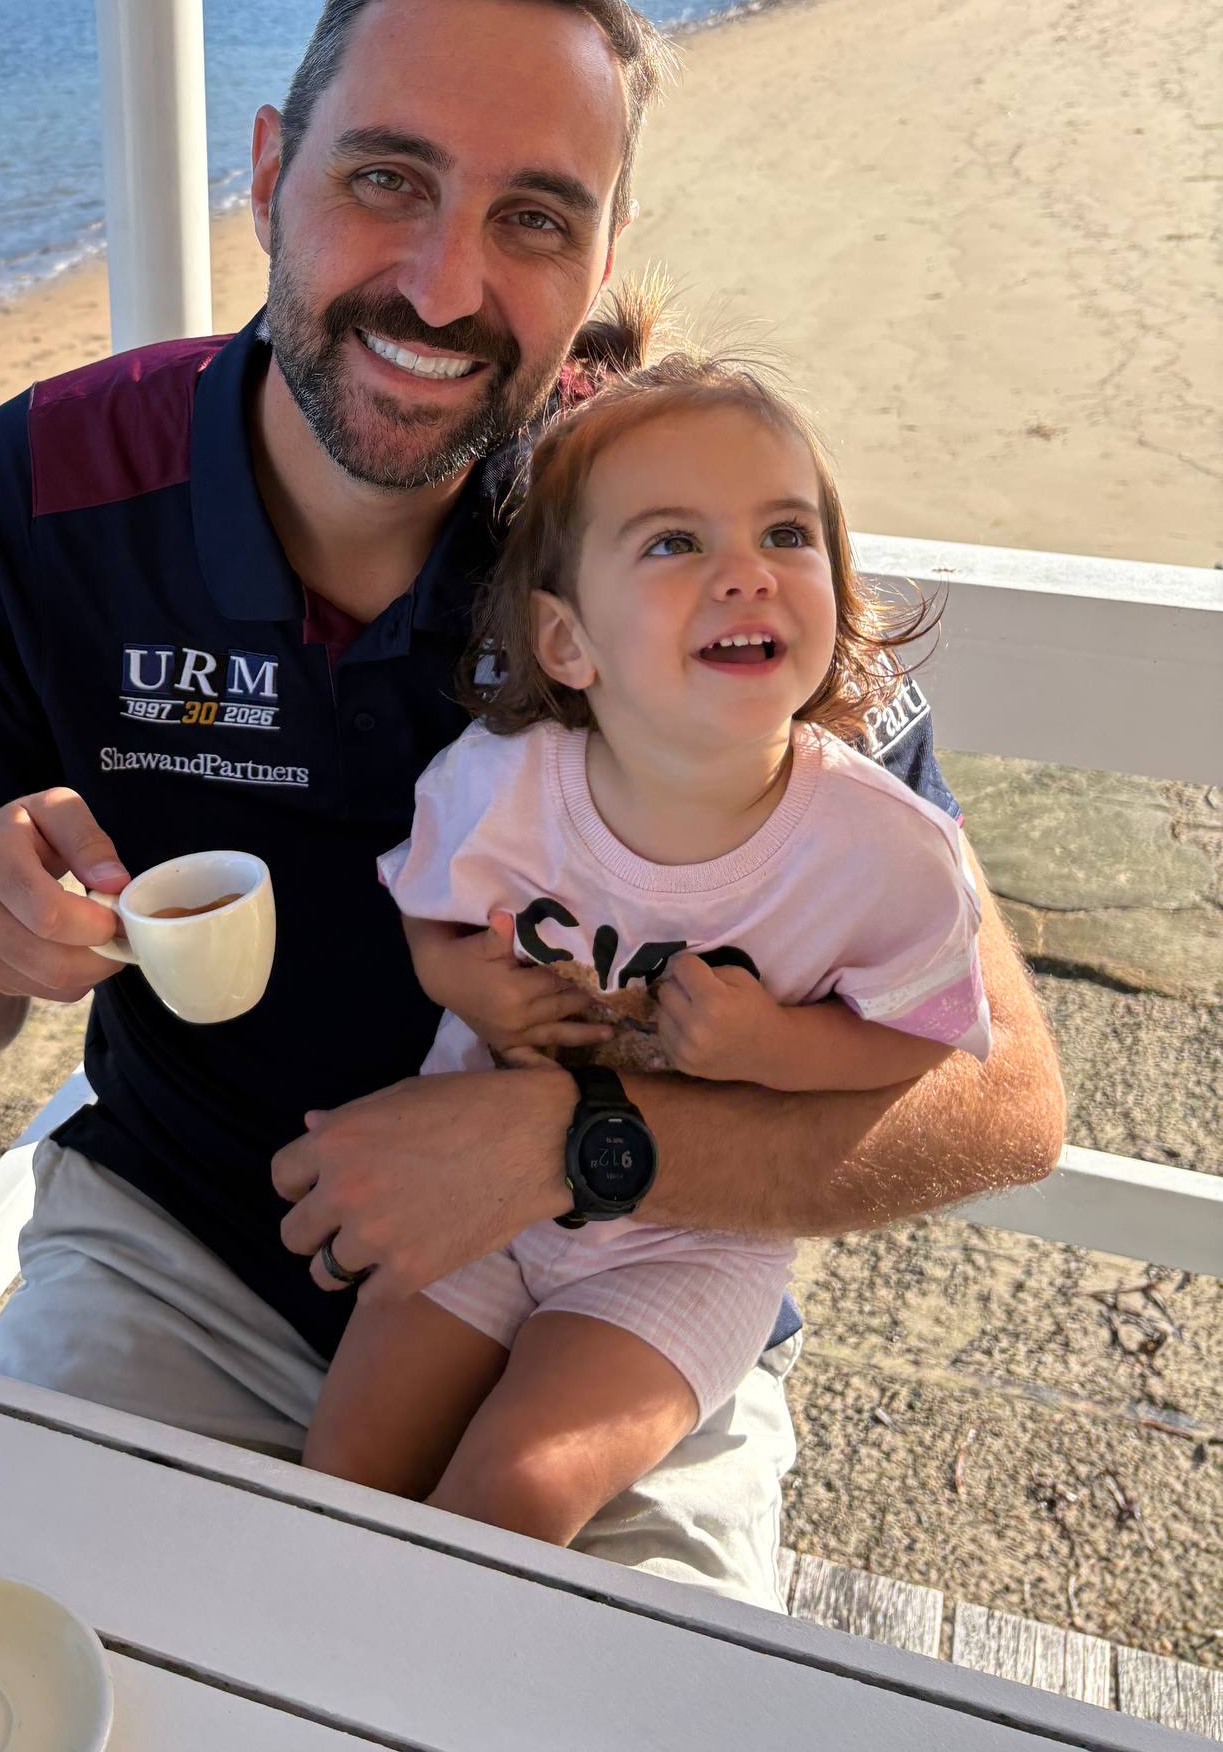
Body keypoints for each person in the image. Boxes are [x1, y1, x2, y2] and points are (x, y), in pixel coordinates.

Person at [0, 0, 1064, 1608]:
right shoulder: (47, 489)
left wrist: (572, 1145)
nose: (440, 284)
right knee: (61, 1652)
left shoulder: (686, 536)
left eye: (532, 218)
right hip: (182, 1255)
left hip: (604, 1299)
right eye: (385, 179)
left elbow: (999, 1105)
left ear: (601, 257)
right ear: (271, 169)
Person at [302, 290, 988, 1545]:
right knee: (345, 1466)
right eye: (673, 544)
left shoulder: (884, 848)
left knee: (516, 1488)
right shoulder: (501, 783)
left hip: (693, 1239)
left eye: (787, 532)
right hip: (479, 1190)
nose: (746, 570)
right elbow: (427, 909)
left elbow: (929, 1032)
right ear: (568, 641)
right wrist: (474, 989)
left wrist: (773, 1048)